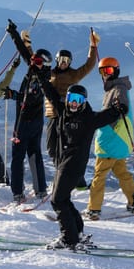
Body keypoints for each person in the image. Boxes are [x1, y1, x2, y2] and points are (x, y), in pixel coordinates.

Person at [40, 81, 125, 250]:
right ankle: (77, 232)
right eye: (71, 99)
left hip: (74, 164)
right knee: (63, 199)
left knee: (57, 201)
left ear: (83, 102)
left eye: (78, 100)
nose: (74, 103)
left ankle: (69, 239)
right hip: (63, 162)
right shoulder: (63, 111)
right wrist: (38, 69)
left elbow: (107, 116)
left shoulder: (88, 118)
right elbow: (49, 91)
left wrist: (118, 109)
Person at [86, 56, 134, 219]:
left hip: (109, 142)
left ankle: (94, 208)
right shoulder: (116, 88)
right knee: (122, 172)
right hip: (119, 142)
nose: (106, 74)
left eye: (109, 70)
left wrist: (118, 109)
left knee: (99, 176)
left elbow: (122, 108)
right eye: (103, 71)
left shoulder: (118, 88)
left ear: (116, 70)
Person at [4, 19, 51, 203]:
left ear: (44, 64)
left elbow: (28, 99)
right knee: (34, 154)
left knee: (18, 156)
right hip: (36, 122)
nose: (33, 62)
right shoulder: (38, 72)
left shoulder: (40, 79)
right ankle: (40, 190)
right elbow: (25, 53)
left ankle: (17, 192)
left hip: (24, 122)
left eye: (37, 61)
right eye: (33, 60)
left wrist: (13, 95)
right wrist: (13, 34)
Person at [46, 31, 100, 186]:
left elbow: (89, 65)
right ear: (57, 60)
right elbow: (34, 63)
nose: (64, 62)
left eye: (67, 60)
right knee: (51, 148)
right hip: (52, 115)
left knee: (67, 149)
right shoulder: (49, 74)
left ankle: (74, 180)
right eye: (61, 59)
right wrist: (27, 45)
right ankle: (66, 175)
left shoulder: (73, 75)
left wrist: (93, 46)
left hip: (67, 115)